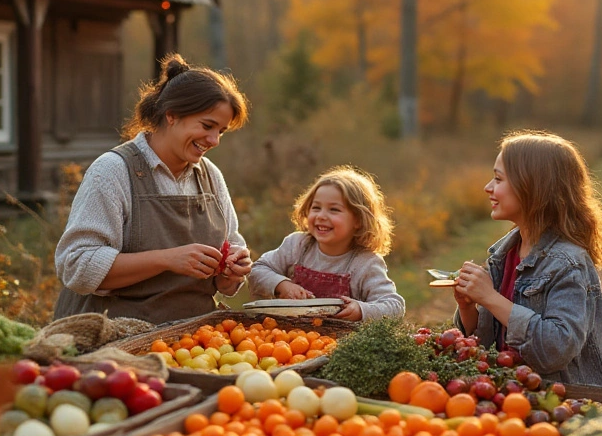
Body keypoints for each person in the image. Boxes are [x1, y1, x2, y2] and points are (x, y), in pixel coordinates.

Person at [52, 55, 253, 324]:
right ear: (172, 115)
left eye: (221, 131)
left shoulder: (210, 177)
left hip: (193, 339)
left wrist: (231, 272)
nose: (214, 140)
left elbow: (225, 281)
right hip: (113, 336)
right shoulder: (113, 171)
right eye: (207, 126)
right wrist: (167, 259)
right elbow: (78, 266)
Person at [452, 131, 602, 389]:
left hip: (569, 399)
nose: (488, 187)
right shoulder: (503, 255)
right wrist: (468, 307)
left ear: (533, 188)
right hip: (514, 392)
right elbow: (485, 345)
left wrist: (491, 298)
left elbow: (556, 350)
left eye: (498, 178)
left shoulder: (568, 263)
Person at [248, 166, 404, 322]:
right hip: (289, 340)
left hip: (341, 343)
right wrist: (281, 285)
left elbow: (394, 306)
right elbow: (258, 270)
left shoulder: (366, 263)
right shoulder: (297, 245)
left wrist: (361, 310)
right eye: (316, 208)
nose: (321, 216)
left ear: (358, 219)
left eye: (334, 210)